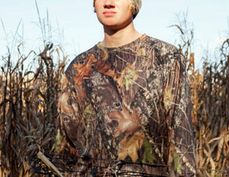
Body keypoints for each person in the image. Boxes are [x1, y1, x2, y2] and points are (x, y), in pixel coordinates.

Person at [58, 0, 196, 176]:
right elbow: (65, 151)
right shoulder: (78, 68)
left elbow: (182, 145)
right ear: (93, 4)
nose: (108, 3)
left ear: (134, 3)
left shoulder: (165, 58)